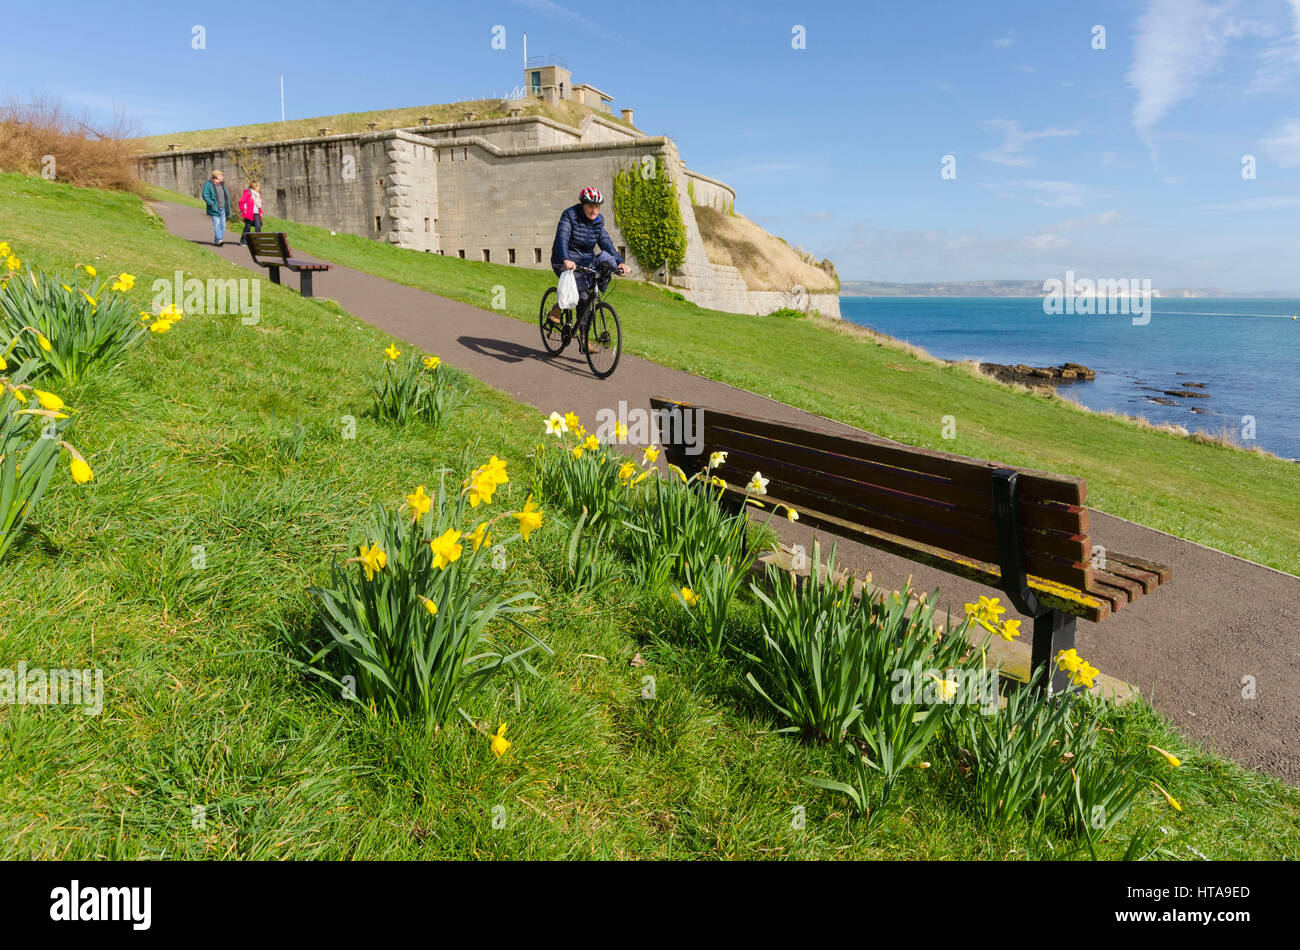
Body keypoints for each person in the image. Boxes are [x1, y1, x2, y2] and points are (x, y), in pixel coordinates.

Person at [547, 186, 630, 327]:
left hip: (586, 262)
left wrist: (620, 262)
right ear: (583, 205)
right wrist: (566, 258)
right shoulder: (569, 215)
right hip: (564, 261)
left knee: (606, 261)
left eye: (597, 207)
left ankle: (584, 338)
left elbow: (606, 244)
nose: (594, 211)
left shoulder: (599, 221)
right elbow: (562, 238)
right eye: (591, 206)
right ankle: (558, 307)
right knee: (583, 297)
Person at [202, 170, 232, 246]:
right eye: (221, 175)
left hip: (223, 208)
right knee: (217, 224)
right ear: (217, 176)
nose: (223, 177)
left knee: (223, 226)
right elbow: (205, 195)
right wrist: (211, 204)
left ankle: (217, 240)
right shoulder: (208, 184)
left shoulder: (222, 184)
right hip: (214, 208)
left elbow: (226, 196)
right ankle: (219, 240)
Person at [238, 180, 263, 245]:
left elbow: (258, 205)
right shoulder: (247, 193)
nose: (259, 188)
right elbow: (241, 202)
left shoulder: (258, 195)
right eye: (258, 187)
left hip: (256, 213)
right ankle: (243, 241)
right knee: (247, 227)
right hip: (249, 213)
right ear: (255, 187)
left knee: (258, 226)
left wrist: (260, 211)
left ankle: (258, 242)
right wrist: (244, 210)